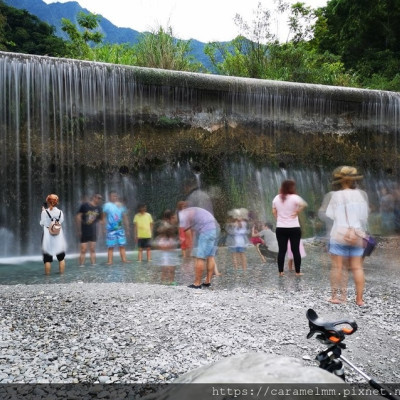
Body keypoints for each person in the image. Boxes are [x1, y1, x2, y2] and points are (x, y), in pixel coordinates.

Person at [326, 166, 369, 306]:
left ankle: (334, 297)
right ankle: (359, 300)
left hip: (339, 233)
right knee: (357, 267)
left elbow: (330, 215)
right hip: (357, 234)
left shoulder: (335, 195)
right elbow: (363, 217)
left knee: (337, 267)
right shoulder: (361, 195)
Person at [178, 206, 219, 289]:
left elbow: (187, 233)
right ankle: (208, 281)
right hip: (214, 229)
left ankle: (197, 283)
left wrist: (189, 247)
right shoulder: (195, 210)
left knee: (200, 258)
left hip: (206, 232)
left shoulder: (182, 214)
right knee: (210, 256)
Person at [272, 180, 307, 277]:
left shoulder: (276, 198)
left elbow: (274, 211)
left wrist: (278, 219)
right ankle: (298, 272)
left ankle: (281, 272)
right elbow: (304, 204)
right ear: (291, 188)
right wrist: (297, 212)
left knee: (282, 250)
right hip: (294, 227)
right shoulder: (295, 197)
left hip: (281, 228)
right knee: (295, 250)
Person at [40, 194, 67, 275]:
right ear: (57, 202)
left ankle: (48, 279)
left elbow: (42, 223)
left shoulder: (44, 212)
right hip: (58, 236)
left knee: (47, 259)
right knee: (61, 258)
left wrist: (43, 212)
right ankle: (62, 277)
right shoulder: (60, 212)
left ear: (48, 202)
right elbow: (61, 221)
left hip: (47, 236)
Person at [102, 191, 130, 265]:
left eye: (116, 196)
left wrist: (127, 228)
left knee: (122, 245)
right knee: (110, 246)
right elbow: (103, 217)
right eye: (113, 196)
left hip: (120, 229)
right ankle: (110, 261)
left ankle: (124, 259)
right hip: (111, 230)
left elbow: (125, 217)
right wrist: (103, 228)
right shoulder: (106, 205)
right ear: (109, 197)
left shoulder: (121, 205)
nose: (115, 197)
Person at [75, 194, 103, 266]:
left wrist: (100, 231)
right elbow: (78, 216)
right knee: (83, 249)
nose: (99, 199)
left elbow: (100, 221)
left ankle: (93, 265)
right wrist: (79, 229)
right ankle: (81, 265)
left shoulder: (99, 208)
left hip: (93, 231)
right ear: (94, 197)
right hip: (84, 230)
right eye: (98, 198)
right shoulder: (85, 206)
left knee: (92, 249)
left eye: (100, 198)